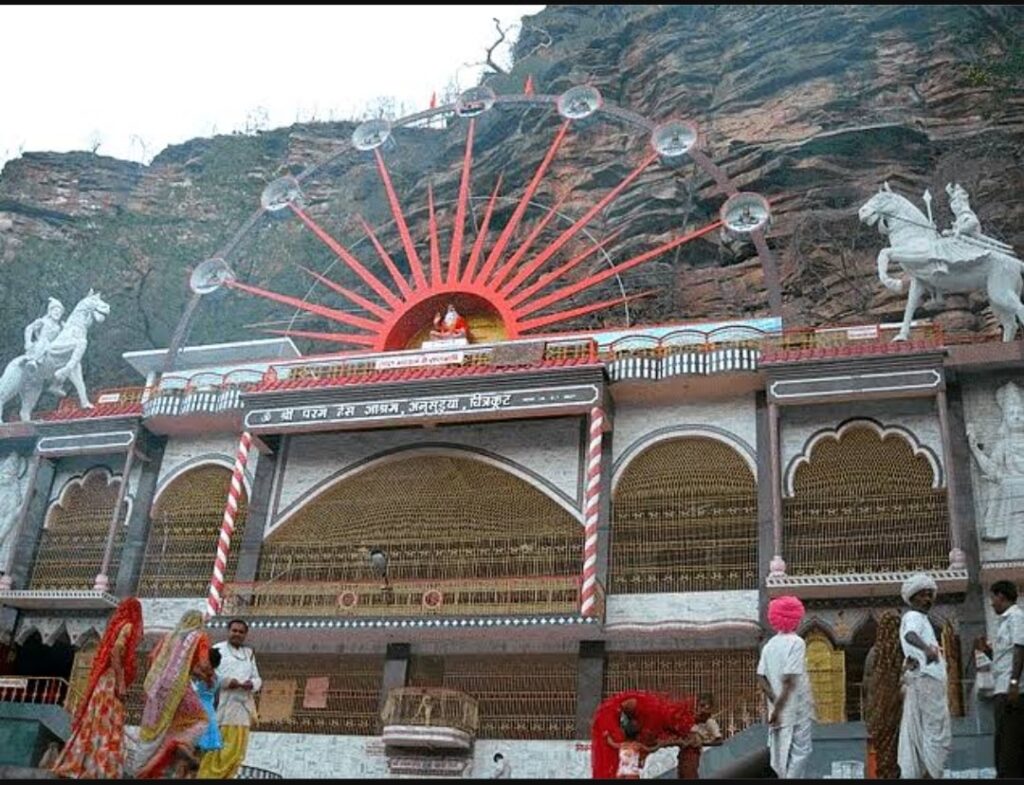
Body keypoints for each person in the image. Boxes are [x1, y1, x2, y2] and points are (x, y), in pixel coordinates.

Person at [51, 597, 143, 779]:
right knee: (108, 722)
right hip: (111, 682)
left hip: (103, 682)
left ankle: (84, 765)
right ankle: (100, 769)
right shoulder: (128, 626)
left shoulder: (116, 626)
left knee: (94, 721)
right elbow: (116, 653)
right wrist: (121, 681)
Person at [133, 610, 212, 779]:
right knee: (200, 721)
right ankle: (177, 746)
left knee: (153, 729)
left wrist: (151, 685)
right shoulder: (200, 636)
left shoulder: (169, 636)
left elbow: (151, 658)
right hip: (179, 690)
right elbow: (204, 664)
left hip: (155, 689)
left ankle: (142, 768)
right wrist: (208, 677)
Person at [897, 573, 952, 779]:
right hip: (928, 680)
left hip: (926, 679)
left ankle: (924, 772)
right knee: (936, 731)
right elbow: (910, 636)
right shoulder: (913, 617)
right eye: (923, 595)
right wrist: (927, 648)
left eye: (930, 595)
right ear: (913, 598)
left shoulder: (922, 619)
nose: (928, 599)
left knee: (927, 731)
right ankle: (930, 774)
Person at [756, 595, 813, 779]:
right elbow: (790, 680)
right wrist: (780, 709)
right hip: (794, 708)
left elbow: (761, 677)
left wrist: (774, 701)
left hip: (778, 709)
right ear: (795, 618)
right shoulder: (797, 643)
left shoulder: (769, 645)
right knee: (800, 752)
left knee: (780, 756)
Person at [197, 618, 262, 780]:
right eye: (234, 631)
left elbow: (257, 678)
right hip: (221, 706)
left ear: (245, 635)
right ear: (228, 631)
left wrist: (251, 684)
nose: (237, 634)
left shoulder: (249, 653)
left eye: (241, 632)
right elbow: (205, 673)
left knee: (236, 753)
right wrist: (227, 682)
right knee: (217, 752)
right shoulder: (217, 649)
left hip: (243, 708)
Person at [967, 382, 1024, 554]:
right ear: (1005, 418)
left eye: (1020, 413)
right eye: (1011, 413)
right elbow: (992, 470)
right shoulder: (1004, 445)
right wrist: (975, 449)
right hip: (1014, 500)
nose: (1016, 417)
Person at [977, 580, 1024, 778]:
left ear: (1001, 596)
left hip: (1012, 691)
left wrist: (1014, 683)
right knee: (1003, 739)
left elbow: (1020, 648)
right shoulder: (1004, 621)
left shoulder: (1017, 617)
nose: (991, 603)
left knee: (1010, 742)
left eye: (993, 598)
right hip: (1002, 688)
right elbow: (1003, 658)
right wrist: (987, 651)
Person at [864, 611, 906, 779]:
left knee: (884, 755)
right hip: (899, 710)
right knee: (901, 753)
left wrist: (872, 709)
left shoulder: (874, 653)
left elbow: (867, 687)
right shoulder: (902, 652)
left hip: (879, 713)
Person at [603, 708, 663, 780]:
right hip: (632, 774)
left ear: (625, 734)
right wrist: (659, 744)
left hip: (621, 773)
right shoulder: (637, 746)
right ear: (636, 735)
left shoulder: (622, 745)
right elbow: (651, 749)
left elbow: (611, 743)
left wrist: (607, 735)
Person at [676, 693, 723, 779]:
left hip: (695, 753)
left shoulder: (710, 723)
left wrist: (702, 743)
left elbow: (719, 740)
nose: (700, 709)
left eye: (704, 706)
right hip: (684, 753)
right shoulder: (693, 721)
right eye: (699, 706)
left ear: (710, 709)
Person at [194, 647, 224, 764]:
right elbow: (217, 701)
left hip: (196, 708)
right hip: (209, 713)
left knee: (190, 746)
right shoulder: (218, 678)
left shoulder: (199, 673)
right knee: (200, 752)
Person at [23, 297, 65, 372]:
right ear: (50, 311)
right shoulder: (43, 321)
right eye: (55, 310)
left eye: (59, 312)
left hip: (52, 347)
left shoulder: (59, 327)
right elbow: (29, 328)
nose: (57, 313)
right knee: (44, 342)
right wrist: (28, 342)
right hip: (41, 345)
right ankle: (33, 361)